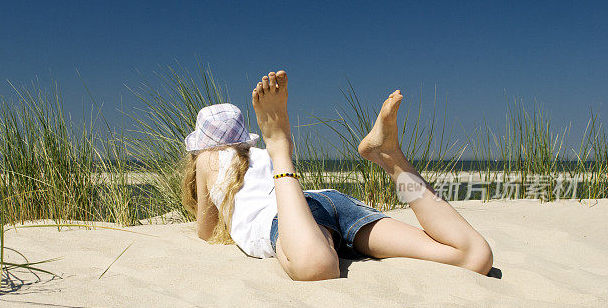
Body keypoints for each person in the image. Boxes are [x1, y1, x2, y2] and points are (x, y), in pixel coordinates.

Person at [181, 70, 493, 281]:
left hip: (290, 221)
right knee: (474, 257)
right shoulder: (254, 155)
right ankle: (390, 159)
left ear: (200, 147)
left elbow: (206, 232)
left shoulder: (207, 159)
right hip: (328, 202)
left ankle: (281, 146)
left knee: (316, 265)